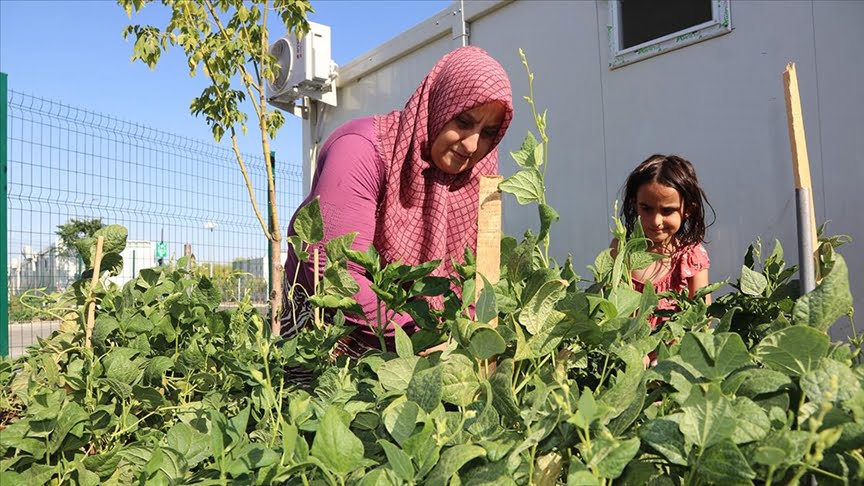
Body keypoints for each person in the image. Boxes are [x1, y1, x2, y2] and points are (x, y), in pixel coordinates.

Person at [280, 46, 513, 358]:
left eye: (488, 133)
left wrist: (466, 340)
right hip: (331, 330)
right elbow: (332, 272)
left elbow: (477, 282)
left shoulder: (475, 177)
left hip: (417, 341)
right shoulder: (362, 150)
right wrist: (419, 340)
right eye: (463, 121)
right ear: (439, 105)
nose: (472, 145)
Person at [617, 154, 714, 332]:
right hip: (626, 346)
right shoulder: (621, 250)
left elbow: (702, 321)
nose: (656, 221)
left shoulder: (690, 257)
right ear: (634, 204)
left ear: (688, 210)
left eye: (667, 211)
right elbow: (607, 307)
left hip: (675, 348)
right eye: (646, 208)